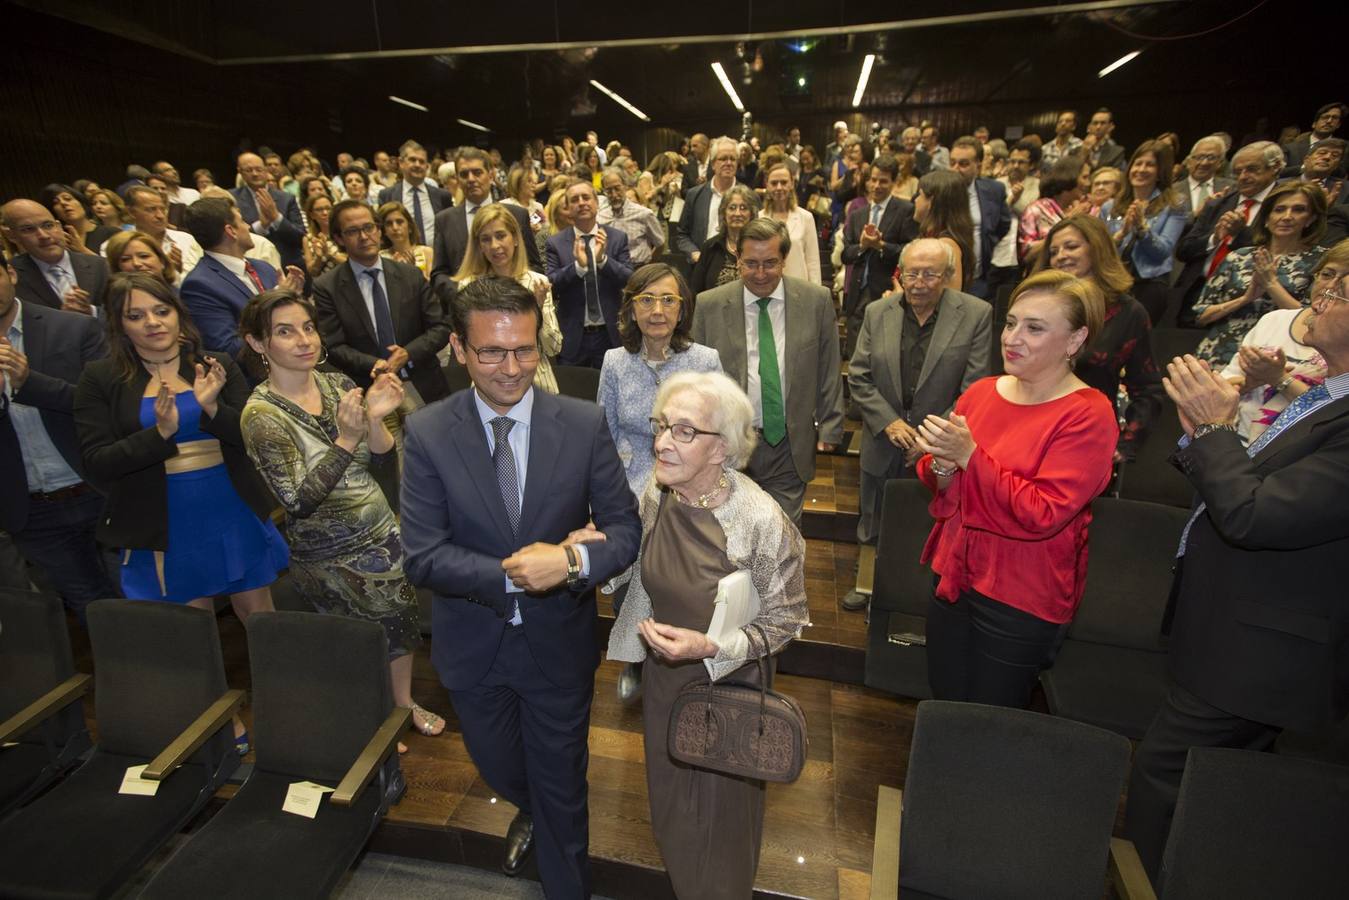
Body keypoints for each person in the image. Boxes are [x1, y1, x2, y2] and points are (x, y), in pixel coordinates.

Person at [400, 275, 640, 896]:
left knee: (562, 787)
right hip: (472, 647)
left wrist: (573, 563)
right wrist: (520, 574)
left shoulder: (583, 424)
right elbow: (422, 556)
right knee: (501, 767)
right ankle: (529, 808)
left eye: (524, 350)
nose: (511, 369)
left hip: (558, 643)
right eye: (492, 352)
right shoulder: (427, 432)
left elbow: (624, 530)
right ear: (458, 348)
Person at [1123, 266, 1349, 881]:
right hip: (1240, 632)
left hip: (1265, 651)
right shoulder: (1326, 393)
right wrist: (1204, 436)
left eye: (1338, 294)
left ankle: (1139, 885)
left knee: (1165, 776)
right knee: (1217, 793)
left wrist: (1218, 429)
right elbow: (1249, 483)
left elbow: (1254, 514)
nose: (1319, 299)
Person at [605, 370, 809, 900]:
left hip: (730, 689)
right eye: (661, 426)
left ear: (722, 449)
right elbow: (639, 565)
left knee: (721, 828)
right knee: (672, 811)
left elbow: (787, 619)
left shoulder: (761, 520)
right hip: (665, 681)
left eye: (684, 431)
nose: (661, 443)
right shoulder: (659, 492)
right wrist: (599, 552)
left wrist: (712, 647)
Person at [72, 274, 285, 755]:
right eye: (136, 315)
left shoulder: (215, 363)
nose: (152, 322)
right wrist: (161, 434)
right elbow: (98, 462)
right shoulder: (101, 379)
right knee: (194, 632)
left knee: (262, 618)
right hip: (166, 520)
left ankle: (288, 705)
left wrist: (208, 409)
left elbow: (251, 435)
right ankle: (222, 719)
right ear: (119, 324)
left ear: (178, 312)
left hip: (230, 508)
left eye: (161, 310)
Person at [238, 289, 444, 748]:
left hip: (381, 532)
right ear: (258, 343)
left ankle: (402, 703)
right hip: (328, 555)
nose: (304, 340)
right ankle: (373, 718)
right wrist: (348, 438)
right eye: (285, 332)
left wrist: (375, 419)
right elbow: (298, 500)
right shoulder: (261, 415)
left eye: (308, 328)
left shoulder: (333, 384)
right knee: (361, 639)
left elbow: (382, 460)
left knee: (400, 622)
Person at [914, 269, 1117, 707]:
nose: (1012, 338)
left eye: (1034, 328)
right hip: (955, 575)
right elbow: (944, 487)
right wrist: (945, 465)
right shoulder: (982, 392)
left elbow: (1043, 513)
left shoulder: (1088, 414)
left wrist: (969, 457)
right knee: (944, 702)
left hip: (1021, 595)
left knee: (992, 716)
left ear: (1075, 340)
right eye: (1010, 323)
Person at [596, 263, 723, 699]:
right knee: (630, 570)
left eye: (668, 300)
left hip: (689, 485)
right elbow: (604, 435)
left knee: (678, 581)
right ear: (631, 309)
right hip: (631, 487)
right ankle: (635, 657)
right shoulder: (615, 362)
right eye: (647, 300)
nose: (657, 310)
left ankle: (679, 657)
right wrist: (606, 498)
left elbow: (720, 430)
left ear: (682, 308)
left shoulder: (704, 361)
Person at [843, 238, 992, 611]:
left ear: (948, 276)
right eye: (912, 274)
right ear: (901, 274)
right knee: (873, 519)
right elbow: (859, 376)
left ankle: (915, 598)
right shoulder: (878, 312)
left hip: (941, 448)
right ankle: (867, 586)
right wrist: (889, 422)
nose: (919, 283)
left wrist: (928, 438)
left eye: (930, 274)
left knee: (927, 526)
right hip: (883, 439)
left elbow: (974, 388)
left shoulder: (976, 314)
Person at [691, 217, 844, 523]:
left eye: (770, 263)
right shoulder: (709, 305)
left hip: (789, 442)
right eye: (751, 263)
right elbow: (698, 379)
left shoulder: (815, 301)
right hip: (728, 443)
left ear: (784, 260)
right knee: (729, 531)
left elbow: (828, 367)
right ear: (738, 259)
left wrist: (830, 425)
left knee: (783, 532)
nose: (760, 274)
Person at [0, 248, 117, 626]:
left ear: (11, 274)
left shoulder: (72, 328)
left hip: (98, 489)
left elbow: (105, 406)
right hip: (33, 509)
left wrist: (28, 382)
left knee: (142, 597)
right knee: (91, 610)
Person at [1036, 215, 1164, 460]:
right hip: (1028, 429)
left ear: (1097, 248)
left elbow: (1148, 388)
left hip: (1086, 440)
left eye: (1071, 246)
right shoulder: (1036, 305)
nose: (1061, 256)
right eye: (1053, 252)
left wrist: (1124, 446)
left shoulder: (1129, 313)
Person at [313, 201, 451, 412]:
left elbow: (440, 328)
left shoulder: (410, 275)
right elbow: (333, 345)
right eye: (353, 231)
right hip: (369, 390)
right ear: (339, 238)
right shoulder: (327, 286)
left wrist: (407, 353)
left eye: (369, 227)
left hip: (423, 383)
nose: (364, 236)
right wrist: (374, 363)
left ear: (378, 230)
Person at [1216, 242, 1347, 444]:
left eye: (1342, 287)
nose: (1330, 287)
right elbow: (1227, 383)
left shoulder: (1339, 344)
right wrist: (1247, 383)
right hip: (1235, 437)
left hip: (1292, 451)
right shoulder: (1274, 319)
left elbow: (1331, 411)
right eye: (1327, 274)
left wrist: (1278, 378)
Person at [1192, 181, 1328, 367]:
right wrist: (1245, 299)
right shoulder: (1239, 257)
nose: (1287, 216)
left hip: (1276, 359)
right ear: (1266, 218)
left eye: (1298, 210)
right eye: (1279, 210)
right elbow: (1201, 315)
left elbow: (1312, 321)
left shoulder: (1322, 262)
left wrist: (1271, 284)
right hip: (1218, 353)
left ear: (1311, 219)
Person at [1173, 141, 1285, 327]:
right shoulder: (1217, 204)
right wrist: (1214, 238)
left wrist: (1239, 234)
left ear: (1275, 168)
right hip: (1197, 293)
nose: (1243, 177)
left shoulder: (1284, 206)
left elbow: (1279, 249)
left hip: (1250, 299)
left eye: (1252, 169)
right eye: (1238, 172)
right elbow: (1184, 250)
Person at [456, 203, 563, 393]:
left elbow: (554, 347)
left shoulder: (537, 282)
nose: (495, 246)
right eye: (486, 239)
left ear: (515, 238)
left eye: (500, 236)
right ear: (479, 246)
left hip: (538, 386)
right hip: (488, 386)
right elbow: (467, 349)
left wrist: (536, 310)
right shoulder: (469, 286)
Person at [180, 197, 303, 358]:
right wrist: (276, 301)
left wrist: (293, 299)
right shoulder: (199, 286)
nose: (248, 226)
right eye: (242, 221)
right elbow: (228, 348)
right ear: (231, 231)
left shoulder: (264, 268)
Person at [431, 147, 542, 303]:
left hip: (513, 305)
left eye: (477, 172)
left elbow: (534, 265)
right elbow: (438, 275)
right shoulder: (444, 220)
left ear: (491, 175)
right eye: (464, 174)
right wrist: (465, 294)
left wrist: (507, 292)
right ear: (458, 179)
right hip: (463, 308)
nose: (471, 179)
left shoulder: (517, 215)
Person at [546, 179, 634, 368]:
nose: (581, 203)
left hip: (610, 335)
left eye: (586, 197)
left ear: (596, 202)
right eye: (574, 200)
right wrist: (578, 267)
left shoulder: (616, 238)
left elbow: (630, 280)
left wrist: (603, 261)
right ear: (568, 208)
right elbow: (551, 286)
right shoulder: (556, 243)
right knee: (574, 386)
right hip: (573, 338)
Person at [1099, 140, 1188, 324]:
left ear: (1160, 172)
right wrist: (1120, 235)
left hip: (1150, 284)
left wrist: (1142, 229)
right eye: (1137, 163)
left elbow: (1163, 252)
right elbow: (1100, 251)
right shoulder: (1110, 206)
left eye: (1150, 165)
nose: (1141, 169)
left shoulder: (1174, 205)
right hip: (1114, 282)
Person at [842, 155, 916, 356]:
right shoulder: (857, 214)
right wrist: (863, 246)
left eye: (883, 181)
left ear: (893, 182)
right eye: (873, 180)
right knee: (855, 352)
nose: (876, 186)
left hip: (887, 291)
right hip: (857, 293)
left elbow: (910, 252)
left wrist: (881, 245)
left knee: (883, 353)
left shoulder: (905, 210)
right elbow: (845, 255)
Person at [1, 199, 109, 314]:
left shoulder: (100, 265)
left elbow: (118, 310)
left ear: (59, 226)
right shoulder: (8, 276)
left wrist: (92, 311)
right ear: (12, 236)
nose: (44, 236)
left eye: (48, 225)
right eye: (28, 229)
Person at [946, 136, 1012, 299]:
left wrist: (988, 242)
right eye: (952, 163)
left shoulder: (994, 190)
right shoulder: (937, 190)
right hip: (943, 278)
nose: (956, 169)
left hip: (978, 279)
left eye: (963, 164)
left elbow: (1003, 224)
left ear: (979, 165)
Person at [232, 152, 306, 271]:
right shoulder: (232, 199)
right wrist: (261, 226)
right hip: (251, 266)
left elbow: (300, 237)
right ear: (240, 172)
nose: (255, 174)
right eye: (249, 170)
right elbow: (232, 237)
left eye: (258, 169)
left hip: (289, 266)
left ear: (266, 170)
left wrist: (276, 218)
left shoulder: (287, 198)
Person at [377, 140, 453, 250]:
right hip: (400, 256)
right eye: (412, 160)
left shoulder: (442, 196)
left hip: (436, 257)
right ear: (401, 162)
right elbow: (383, 231)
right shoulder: (387, 195)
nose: (417, 165)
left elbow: (449, 230)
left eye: (422, 162)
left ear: (427, 166)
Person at [676, 137, 742, 264]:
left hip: (737, 267)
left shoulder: (749, 197)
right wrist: (695, 254)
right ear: (713, 164)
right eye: (723, 158)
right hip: (702, 266)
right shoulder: (694, 195)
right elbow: (682, 235)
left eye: (733, 159)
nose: (728, 163)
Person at [1018, 155, 1093, 266]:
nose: (1088, 183)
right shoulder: (1037, 210)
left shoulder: (1084, 208)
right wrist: (1067, 223)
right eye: (1084, 177)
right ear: (1069, 177)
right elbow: (1028, 256)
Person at [689, 184, 759, 296]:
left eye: (743, 208)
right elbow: (695, 291)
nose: (737, 213)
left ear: (751, 214)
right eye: (732, 208)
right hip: (714, 306)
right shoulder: (711, 247)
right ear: (723, 213)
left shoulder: (760, 246)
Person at [911, 168, 974, 291]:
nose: (915, 200)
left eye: (920, 195)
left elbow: (951, 297)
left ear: (932, 202)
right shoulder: (930, 236)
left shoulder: (946, 245)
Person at [124, 185, 203, 281]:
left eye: (163, 209)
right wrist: (167, 270)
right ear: (131, 212)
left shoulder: (187, 240)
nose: (160, 216)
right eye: (151, 209)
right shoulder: (121, 245)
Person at [760, 161, 822, 285]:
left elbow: (813, 262)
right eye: (774, 183)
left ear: (792, 184)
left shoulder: (806, 218)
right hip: (767, 286)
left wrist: (816, 292)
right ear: (767, 185)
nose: (779, 187)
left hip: (799, 287)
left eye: (784, 182)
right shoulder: (759, 218)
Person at [598, 168, 664, 267]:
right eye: (609, 190)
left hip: (638, 268)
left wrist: (648, 265)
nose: (614, 195)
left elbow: (660, 244)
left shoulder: (644, 214)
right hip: (611, 269)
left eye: (617, 188)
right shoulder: (600, 217)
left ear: (625, 186)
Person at [41, 184, 118, 257]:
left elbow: (118, 265)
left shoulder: (112, 233)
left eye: (68, 199)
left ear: (81, 203)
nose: (63, 203)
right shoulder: (58, 241)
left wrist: (82, 250)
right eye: (55, 203)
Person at [1281, 101, 1347, 177]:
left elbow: (1343, 172)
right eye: (1325, 117)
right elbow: (1279, 172)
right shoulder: (1290, 148)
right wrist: (1305, 167)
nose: (1329, 121)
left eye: (1334, 118)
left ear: (1338, 125)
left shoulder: (1345, 148)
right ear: (1314, 124)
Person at [1176, 135, 1234, 220]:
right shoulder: (1173, 191)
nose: (1204, 163)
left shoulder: (1231, 188)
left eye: (1211, 158)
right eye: (1199, 157)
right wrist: (1195, 214)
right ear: (1189, 161)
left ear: (1220, 163)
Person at [376, 201, 433, 280]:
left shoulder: (427, 252)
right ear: (384, 231)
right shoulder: (380, 257)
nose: (395, 227)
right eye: (389, 224)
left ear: (409, 227)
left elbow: (433, 285)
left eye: (399, 222)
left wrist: (413, 271)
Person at [104, 230, 179, 285]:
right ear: (117, 268)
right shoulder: (113, 301)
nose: (136, 263)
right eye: (125, 259)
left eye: (144, 256)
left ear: (161, 260)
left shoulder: (181, 296)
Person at [302, 192, 345, 280]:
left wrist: (329, 254)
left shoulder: (344, 232)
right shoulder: (308, 239)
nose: (325, 213)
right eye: (319, 210)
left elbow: (353, 263)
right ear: (312, 215)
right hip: (324, 284)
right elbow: (312, 272)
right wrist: (319, 258)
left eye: (328, 208)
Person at [1040, 110, 1085, 174]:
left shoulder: (1080, 145)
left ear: (1074, 126)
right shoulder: (1045, 148)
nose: (1063, 124)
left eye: (1068, 121)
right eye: (1060, 121)